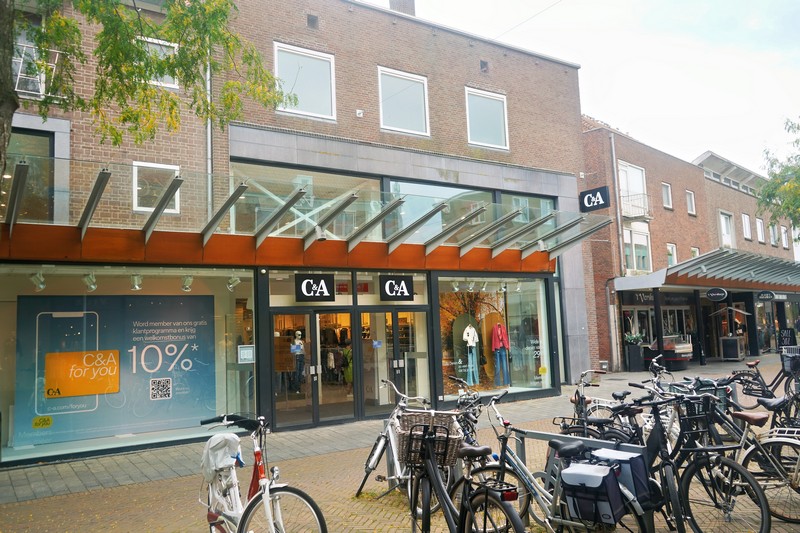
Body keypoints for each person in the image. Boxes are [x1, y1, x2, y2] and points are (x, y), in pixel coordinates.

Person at [491, 321, 510, 386]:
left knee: (504, 365)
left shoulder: (503, 327)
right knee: (498, 366)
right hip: (497, 348)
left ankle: (506, 382)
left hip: (503, 348)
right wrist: (493, 348)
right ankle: (497, 383)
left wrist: (507, 346)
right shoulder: (494, 328)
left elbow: (506, 337)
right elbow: (493, 338)